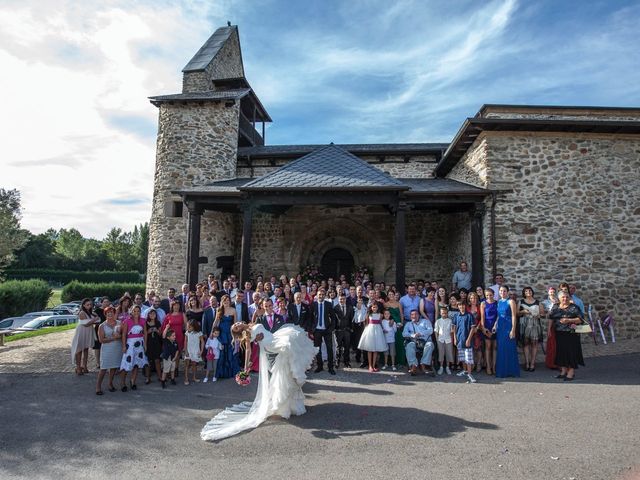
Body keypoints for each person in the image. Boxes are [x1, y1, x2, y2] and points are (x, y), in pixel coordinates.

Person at [201, 321, 317, 441]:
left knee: (288, 363)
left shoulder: (252, 324)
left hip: (275, 339)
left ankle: (292, 405)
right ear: (238, 331)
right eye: (236, 327)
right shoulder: (247, 333)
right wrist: (246, 368)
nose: (238, 324)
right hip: (272, 345)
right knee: (289, 346)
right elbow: (248, 351)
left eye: (237, 323)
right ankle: (286, 404)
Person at [549, 291, 585, 381]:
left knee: (571, 352)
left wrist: (568, 320)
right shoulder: (556, 307)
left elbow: (580, 319)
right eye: (563, 297)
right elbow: (551, 318)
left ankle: (571, 372)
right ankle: (563, 371)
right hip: (559, 332)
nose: (565, 299)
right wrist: (549, 329)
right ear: (559, 298)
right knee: (561, 352)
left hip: (572, 333)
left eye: (567, 297)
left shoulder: (574, 307)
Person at [119, 305, 149, 391]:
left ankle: (133, 381)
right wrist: (124, 346)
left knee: (136, 363)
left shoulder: (143, 320)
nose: (136, 313)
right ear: (131, 312)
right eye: (134, 311)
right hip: (130, 345)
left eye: (138, 311)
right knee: (126, 364)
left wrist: (145, 344)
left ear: (140, 312)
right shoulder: (127, 321)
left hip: (139, 344)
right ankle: (122, 383)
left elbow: (145, 333)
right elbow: (124, 334)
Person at [494, 285, 520, 378]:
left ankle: (511, 371)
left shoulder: (511, 301)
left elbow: (514, 316)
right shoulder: (499, 302)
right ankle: (502, 371)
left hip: (508, 326)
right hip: (500, 327)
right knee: (501, 349)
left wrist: (513, 329)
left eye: (504, 291)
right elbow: (498, 315)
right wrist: (495, 325)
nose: (502, 292)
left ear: (507, 292)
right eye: (501, 291)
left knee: (509, 348)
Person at [95, 306, 121, 395]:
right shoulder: (102, 326)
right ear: (105, 314)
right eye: (108, 313)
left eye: (112, 312)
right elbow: (101, 340)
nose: (110, 314)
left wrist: (119, 337)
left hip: (117, 348)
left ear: (114, 313)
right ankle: (98, 386)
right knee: (103, 368)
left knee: (113, 366)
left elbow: (122, 335)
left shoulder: (119, 323)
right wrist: (113, 338)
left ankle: (110, 384)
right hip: (107, 349)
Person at [214, 294, 240, 379]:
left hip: (230, 334)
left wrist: (236, 335)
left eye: (228, 301)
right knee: (222, 353)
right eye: (225, 301)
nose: (226, 302)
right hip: (221, 334)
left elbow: (236, 324)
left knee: (231, 353)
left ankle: (231, 372)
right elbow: (215, 323)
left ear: (230, 301)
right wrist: (212, 333)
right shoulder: (219, 310)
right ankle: (221, 373)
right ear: (222, 301)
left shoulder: (233, 310)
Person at [518, 287, 544, 372]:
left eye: (529, 290)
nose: (528, 292)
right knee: (525, 344)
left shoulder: (537, 302)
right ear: (524, 293)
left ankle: (532, 363)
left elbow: (542, 314)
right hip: (524, 324)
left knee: (534, 344)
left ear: (532, 292)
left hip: (535, 324)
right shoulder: (521, 302)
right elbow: (516, 313)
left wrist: (538, 315)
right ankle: (527, 363)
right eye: (526, 291)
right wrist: (523, 312)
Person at [311, 288, 336, 375]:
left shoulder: (328, 304)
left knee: (329, 349)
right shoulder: (313, 305)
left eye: (322, 295)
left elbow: (333, 318)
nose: (321, 296)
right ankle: (320, 366)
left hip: (327, 330)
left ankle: (330, 367)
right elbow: (310, 318)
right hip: (317, 330)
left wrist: (331, 328)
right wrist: (312, 329)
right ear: (317, 296)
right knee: (318, 349)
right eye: (319, 295)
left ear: (325, 295)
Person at [71, 298, 99, 375]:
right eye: (87, 305)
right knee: (79, 349)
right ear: (83, 305)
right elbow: (85, 324)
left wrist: (95, 319)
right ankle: (78, 367)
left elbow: (97, 321)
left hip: (89, 331)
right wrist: (94, 320)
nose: (89, 306)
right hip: (82, 331)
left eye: (90, 304)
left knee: (86, 349)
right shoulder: (82, 313)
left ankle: (85, 366)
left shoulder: (91, 313)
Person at [402, 310, 434, 376]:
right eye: (412, 315)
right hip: (414, 342)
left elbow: (430, 330)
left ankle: (423, 364)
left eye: (416, 314)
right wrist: (412, 335)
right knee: (409, 345)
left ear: (419, 315)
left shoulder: (425, 321)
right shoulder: (408, 324)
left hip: (425, 341)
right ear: (410, 316)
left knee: (430, 345)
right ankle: (414, 365)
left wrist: (421, 334)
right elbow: (404, 334)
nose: (414, 316)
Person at [358, 302, 387, 372]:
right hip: (370, 330)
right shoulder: (369, 314)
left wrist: (383, 329)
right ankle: (370, 365)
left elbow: (380, 322)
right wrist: (366, 330)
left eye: (376, 307)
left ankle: (374, 365)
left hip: (378, 331)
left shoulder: (380, 315)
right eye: (373, 307)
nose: (374, 308)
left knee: (375, 350)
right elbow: (366, 323)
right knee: (370, 349)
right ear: (371, 308)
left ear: (378, 308)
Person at [453, 302, 477, 383]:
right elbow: (454, 328)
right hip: (459, 340)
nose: (461, 306)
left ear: (465, 306)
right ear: (458, 306)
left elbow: (473, 328)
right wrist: (455, 339)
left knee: (468, 359)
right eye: (459, 305)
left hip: (467, 340)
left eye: (463, 305)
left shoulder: (469, 315)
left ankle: (470, 374)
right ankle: (464, 370)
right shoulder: (456, 316)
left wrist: (468, 339)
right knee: (462, 357)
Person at [480, 288, 498, 375]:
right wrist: (483, 328)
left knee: (494, 347)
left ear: (493, 294)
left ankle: (494, 366)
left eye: (490, 295)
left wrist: (495, 325)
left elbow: (499, 316)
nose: (489, 296)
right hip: (487, 326)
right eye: (487, 295)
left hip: (495, 326)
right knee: (488, 347)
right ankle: (488, 366)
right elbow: (482, 317)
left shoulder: (497, 303)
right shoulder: (483, 303)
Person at [385, 291, 406, 367]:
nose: (391, 295)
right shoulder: (386, 304)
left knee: (398, 341)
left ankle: (399, 361)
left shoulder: (398, 303)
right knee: (389, 341)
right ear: (387, 295)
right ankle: (389, 361)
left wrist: (402, 323)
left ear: (394, 295)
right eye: (389, 294)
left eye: (392, 294)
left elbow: (401, 314)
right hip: (389, 324)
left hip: (398, 324)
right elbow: (385, 314)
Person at [333, 293, 354, 368]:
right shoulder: (335, 308)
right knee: (338, 347)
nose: (342, 300)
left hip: (347, 331)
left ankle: (347, 362)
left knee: (347, 347)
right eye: (341, 299)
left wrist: (351, 329)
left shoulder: (350, 307)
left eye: (343, 299)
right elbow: (334, 320)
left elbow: (351, 319)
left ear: (345, 299)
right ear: (338, 299)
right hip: (338, 330)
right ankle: (337, 362)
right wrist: (334, 329)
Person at [144, 308, 163, 384]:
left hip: (157, 343)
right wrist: (148, 332)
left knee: (157, 360)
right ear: (148, 315)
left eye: (154, 314)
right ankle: (148, 378)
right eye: (151, 314)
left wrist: (157, 330)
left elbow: (160, 334)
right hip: (149, 343)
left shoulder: (158, 322)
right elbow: (144, 334)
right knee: (148, 361)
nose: (152, 315)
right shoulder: (145, 323)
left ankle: (160, 376)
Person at [542, 286, 559, 369]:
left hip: (558, 322)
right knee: (551, 342)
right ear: (548, 292)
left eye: (553, 291)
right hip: (549, 322)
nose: (552, 293)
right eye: (550, 292)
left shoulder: (558, 301)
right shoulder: (545, 302)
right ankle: (551, 362)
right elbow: (542, 312)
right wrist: (546, 312)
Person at [184, 319, 204, 385]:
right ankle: (186, 379)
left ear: (194, 327)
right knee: (187, 364)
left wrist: (201, 351)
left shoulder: (199, 333)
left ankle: (194, 377)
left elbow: (202, 342)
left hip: (196, 351)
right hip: (189, 350)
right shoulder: (187, 332)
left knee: (194, 365)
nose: (188, 328)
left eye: (189, 327)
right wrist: (186, 350)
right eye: (187, 326)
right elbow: (185, 341)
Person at [435, 306, 453, 375]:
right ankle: (441, 367)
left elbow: (451, 331)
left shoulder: (450, 321)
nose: (444, 314)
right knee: (441, 354)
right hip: (440, 339)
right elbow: (436, 331)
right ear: (440, 313)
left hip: (448, 339)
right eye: (442, 313)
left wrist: (451, 339)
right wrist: (437, 339)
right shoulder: (438, 321)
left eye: (445, 313)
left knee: (448, 354)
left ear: (447, 313)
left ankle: (448, 367)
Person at [468, 291, 484, 372]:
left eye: (474, 298)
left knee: (478, 348)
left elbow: (482, 318)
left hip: (478, 330)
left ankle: (478, 364)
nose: (473, 299)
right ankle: (472, 363)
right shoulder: (467, 307)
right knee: (471, 348)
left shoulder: (479, 306)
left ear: (476, 299)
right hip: (469, 330)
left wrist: (478, 327)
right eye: (471, 298)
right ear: (469, 299)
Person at [92, 297, 110, 370]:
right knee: (97, 347)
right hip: (98, 329)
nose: (106, 303)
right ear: (102, 303)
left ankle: (106, 361)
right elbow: (93, 319)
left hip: (107, 329)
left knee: (107, 345)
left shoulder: (110, 310)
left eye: (107, 302)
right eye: (104, 302)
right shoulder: (97, 310)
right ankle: (97, 362)